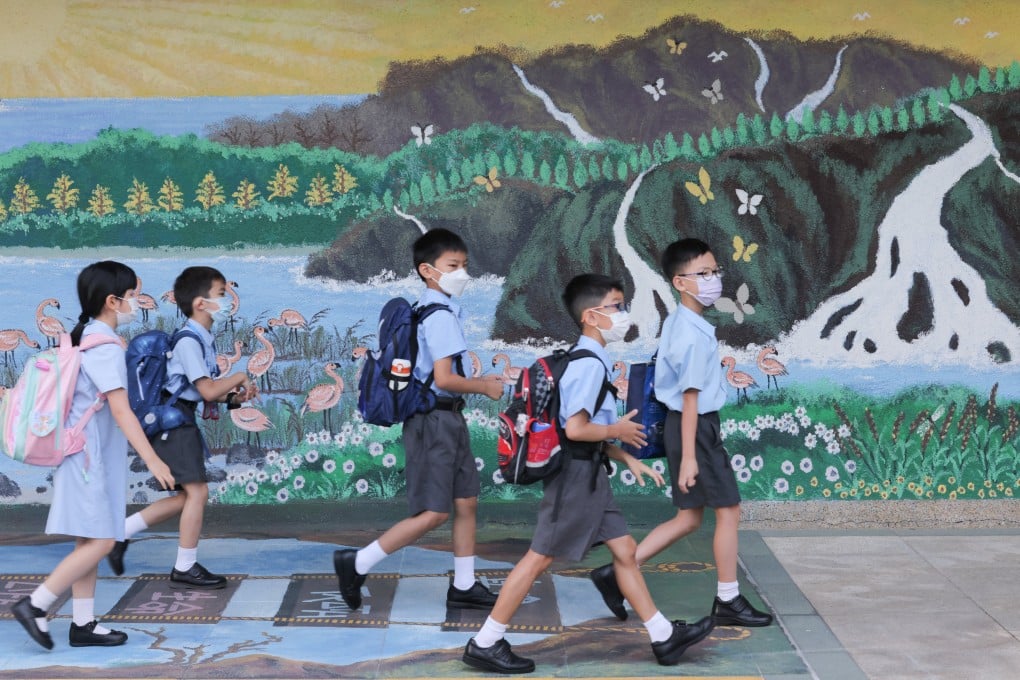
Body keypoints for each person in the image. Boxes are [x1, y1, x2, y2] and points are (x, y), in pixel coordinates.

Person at [462, 274, 715, 674]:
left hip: (591, 475)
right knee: (538, 559)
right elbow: (576, 430)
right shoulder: (588, 366)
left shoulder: (588, 360)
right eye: (616, 306)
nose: (622, 313)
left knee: (626, 552)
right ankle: (485, 642)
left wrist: (627, 457)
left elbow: (584, 430)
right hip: (574, 479)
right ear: (591, 317)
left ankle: (664, 637)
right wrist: (619, 431)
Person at [589, 238, 773, 629]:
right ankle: (728, 599)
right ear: (680, 282)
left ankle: (616, 573)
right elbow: (690, 399)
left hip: (686, 428)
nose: (713, 279)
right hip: (695, 429)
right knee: (729, 512)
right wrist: (690, 456)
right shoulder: (690, 333)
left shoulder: (680, 322)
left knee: (689, 517)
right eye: (702, 274)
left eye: (715, 271)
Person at [334, 228, 506, 612]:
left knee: (466, 501)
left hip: (448, 418)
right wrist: (484, 387)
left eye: (464, 265)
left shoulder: (432, 309)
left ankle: (464, 585)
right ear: (428, 270)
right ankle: (357, 563)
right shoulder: (439, 315)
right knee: (434, 512)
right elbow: (444, 378)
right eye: (453, 266)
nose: (463, 273)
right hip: (434, 422)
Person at [10, 261, 176, 650]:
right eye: (133, 296)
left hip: (82, 456)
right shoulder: (103, 347)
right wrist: (153, 460)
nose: (137, 303)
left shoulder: (85, 337)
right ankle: (36, 604)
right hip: (89, 461)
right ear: (112, 301)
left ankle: (83, 624)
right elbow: (121, 410)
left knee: (89, 541)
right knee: (102, 541)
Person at [107, 266, 255, 588]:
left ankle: (120, 534)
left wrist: (236, 398)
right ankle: (185, 566)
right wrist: (240, 376)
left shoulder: (202, 338)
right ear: (201, 303)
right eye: (221, 294)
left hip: (180, 420)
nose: (229, 299)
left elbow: (200, 391)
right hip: (173, 425)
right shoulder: (189, 341)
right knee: (197, 492)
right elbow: (206, 391)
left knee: (186, 496)